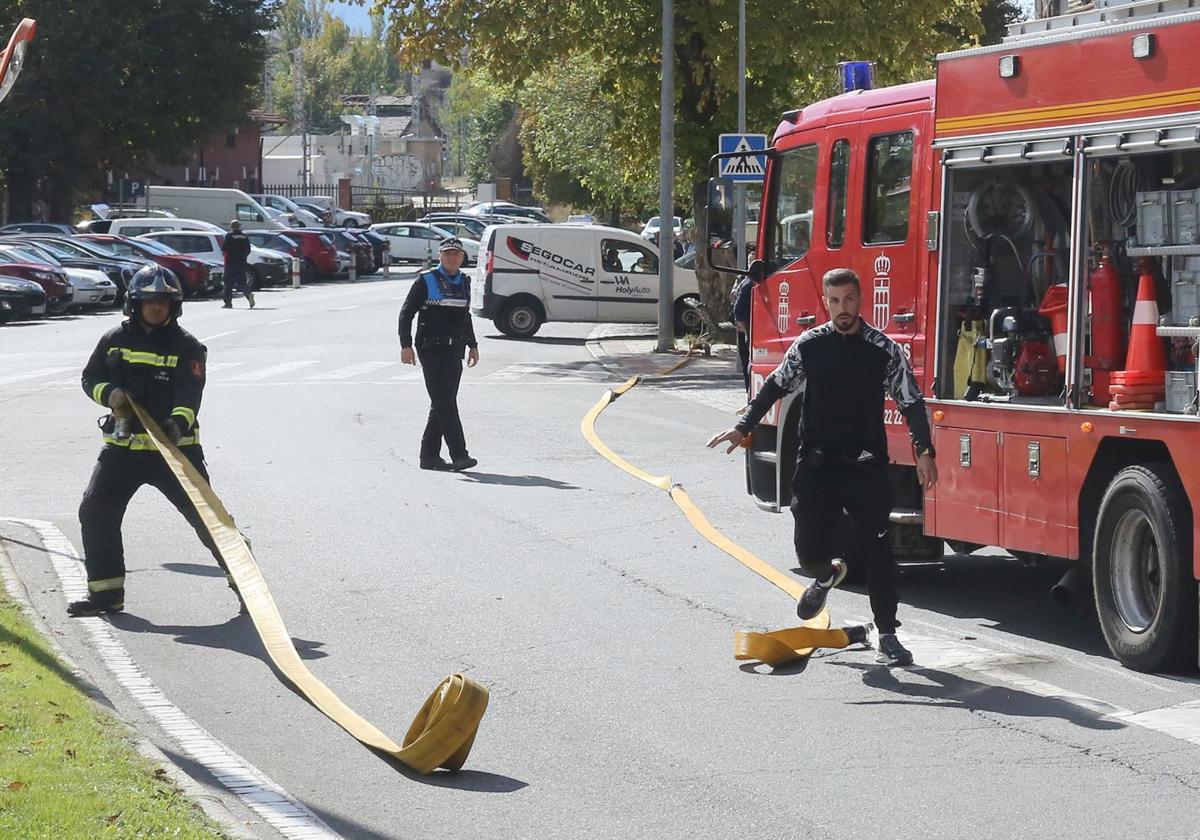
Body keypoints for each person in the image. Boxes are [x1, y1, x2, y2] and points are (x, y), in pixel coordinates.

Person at [707, 268, 938, 666]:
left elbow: (911, 401)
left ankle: (887, 633)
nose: (842, 309)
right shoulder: (809, 346)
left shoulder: (882, 349)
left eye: (848, 300)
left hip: (866, 467)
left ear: (860, 300)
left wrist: (923, 450)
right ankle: (828, 573)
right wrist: (743, 426)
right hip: (818, 466)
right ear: (825, 303)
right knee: (808, 550)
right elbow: (775, 386)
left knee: (879, 552)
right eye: (834, 301)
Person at [68, 265, 241, 616]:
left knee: (210, 521)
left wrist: (175, 426)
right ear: (135, 303)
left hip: (175, 453)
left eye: (164, 302)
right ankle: (106, 594)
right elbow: (90, 378)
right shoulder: (114, 339)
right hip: (122, 452)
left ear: (174, 306)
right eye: (150, 302)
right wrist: (109, 394)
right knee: (96, 512)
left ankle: (249, 588)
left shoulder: (187, 346)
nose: (157, 307)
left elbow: (190, 394)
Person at [398, 237, 480, 471]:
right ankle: (459, 455)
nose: (452, 257)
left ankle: (429, 456)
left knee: (442, 402)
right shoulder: (426, 280)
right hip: (430, 349)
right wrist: (406, 345)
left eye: (456, 254)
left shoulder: (463, 281)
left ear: (462, 257)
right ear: (440, 256)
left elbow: (465, 317)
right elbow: (406, 313)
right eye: (448, 254)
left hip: (456, 349)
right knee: (446, 403)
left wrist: (473, 345)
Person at [220, 219, 254, 309]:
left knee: (228, 283)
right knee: (242, 282)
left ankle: (228, 303)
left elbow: (224, 248)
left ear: (231, 226)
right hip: (241, 263)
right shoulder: (244, 236)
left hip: (230, 263)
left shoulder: (229, 236)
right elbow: (248, 250)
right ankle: (248, 294)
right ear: (239, 226)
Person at [731, 274, 753, 390]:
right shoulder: (744, 279)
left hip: (747, 329)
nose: (750, 256)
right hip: (745, 330)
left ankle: (750, 395)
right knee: (747, 364)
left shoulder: (749, 281)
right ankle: (749, 395)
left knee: (748, 364)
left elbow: (738, 309)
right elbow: (737, 308)